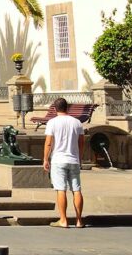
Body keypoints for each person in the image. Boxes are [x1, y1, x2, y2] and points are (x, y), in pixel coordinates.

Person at [43, 97, 85, 229]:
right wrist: (79, 157)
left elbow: (49, 143)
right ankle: (79, 221)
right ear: (67, 107)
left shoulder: (52, 122)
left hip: (58, 160)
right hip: (74, 159)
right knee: (76, 189)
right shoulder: (77, 122)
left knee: (61, 189)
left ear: (55, 108)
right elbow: (81, 142)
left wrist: (45, 159)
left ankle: (63, 220)